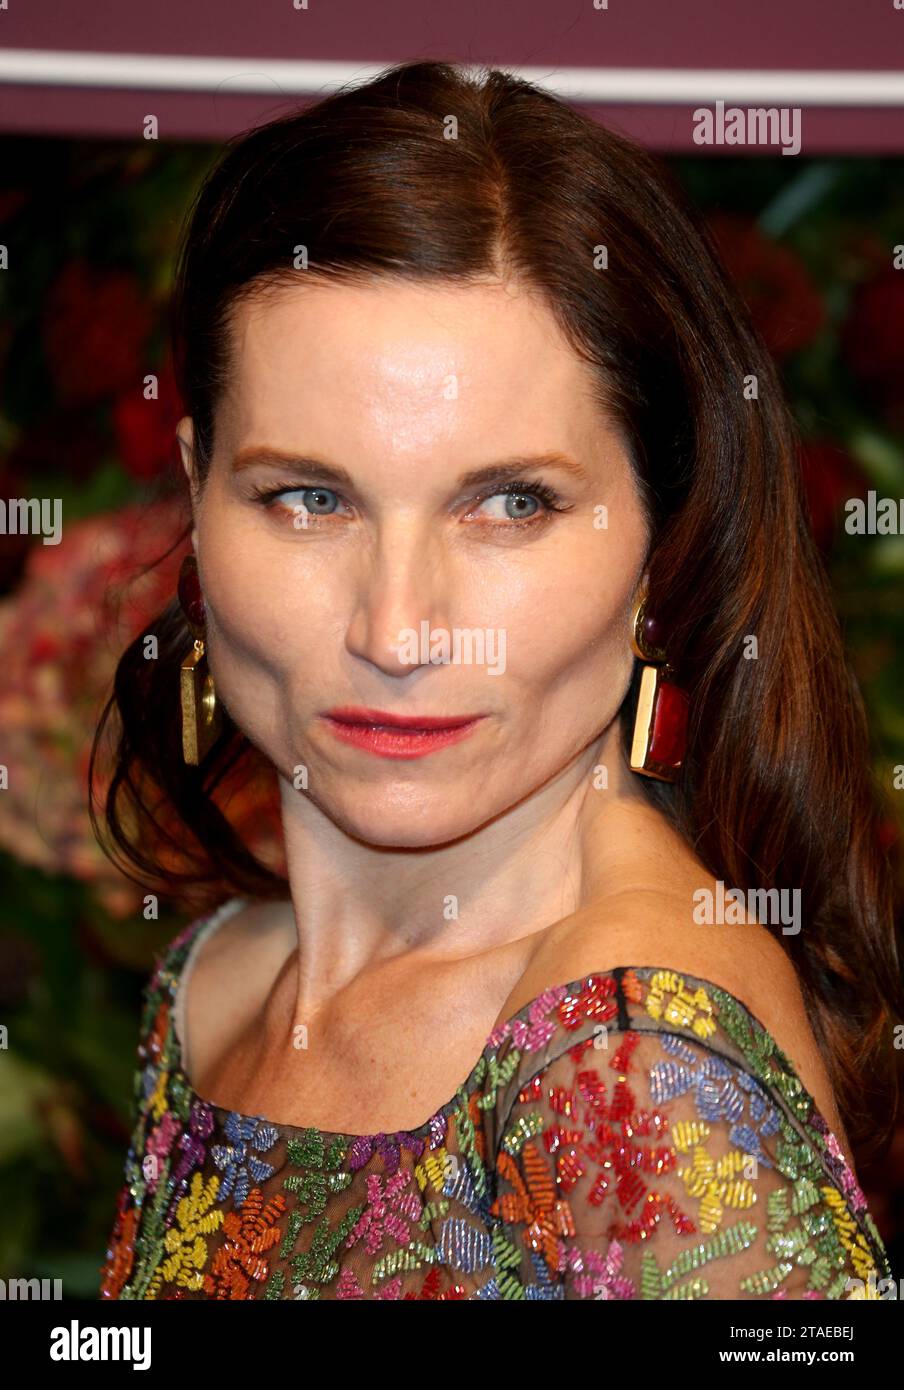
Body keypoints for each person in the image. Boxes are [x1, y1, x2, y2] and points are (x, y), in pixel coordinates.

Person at [94, 59, 900, 1301]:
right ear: (197, 496)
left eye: (510, 504)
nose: (401, 628)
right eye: (308, 498)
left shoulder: (631, 1057)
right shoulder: (217, 982)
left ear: (659, 537)